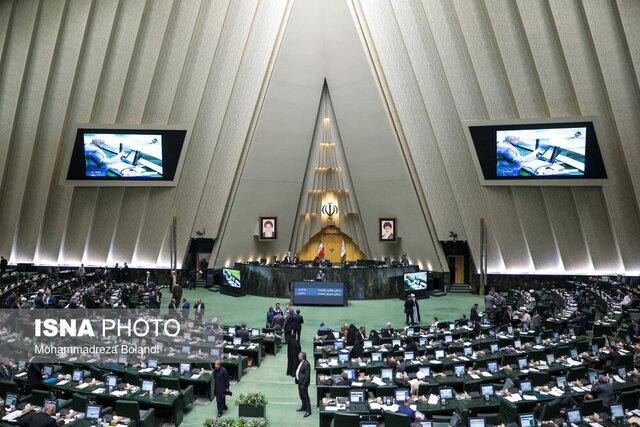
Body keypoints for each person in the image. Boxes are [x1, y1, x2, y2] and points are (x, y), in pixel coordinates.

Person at [295, 352, 311, 417]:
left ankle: (308, 411)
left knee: (305, 397)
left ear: (302, 357)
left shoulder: (306, 364)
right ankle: (304, 407)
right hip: (300, 382)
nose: (298, 356)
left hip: (303, 384)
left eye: (299, 356)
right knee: (301, 396)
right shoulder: (301, 362)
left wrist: (304, 384)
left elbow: (307, 376)